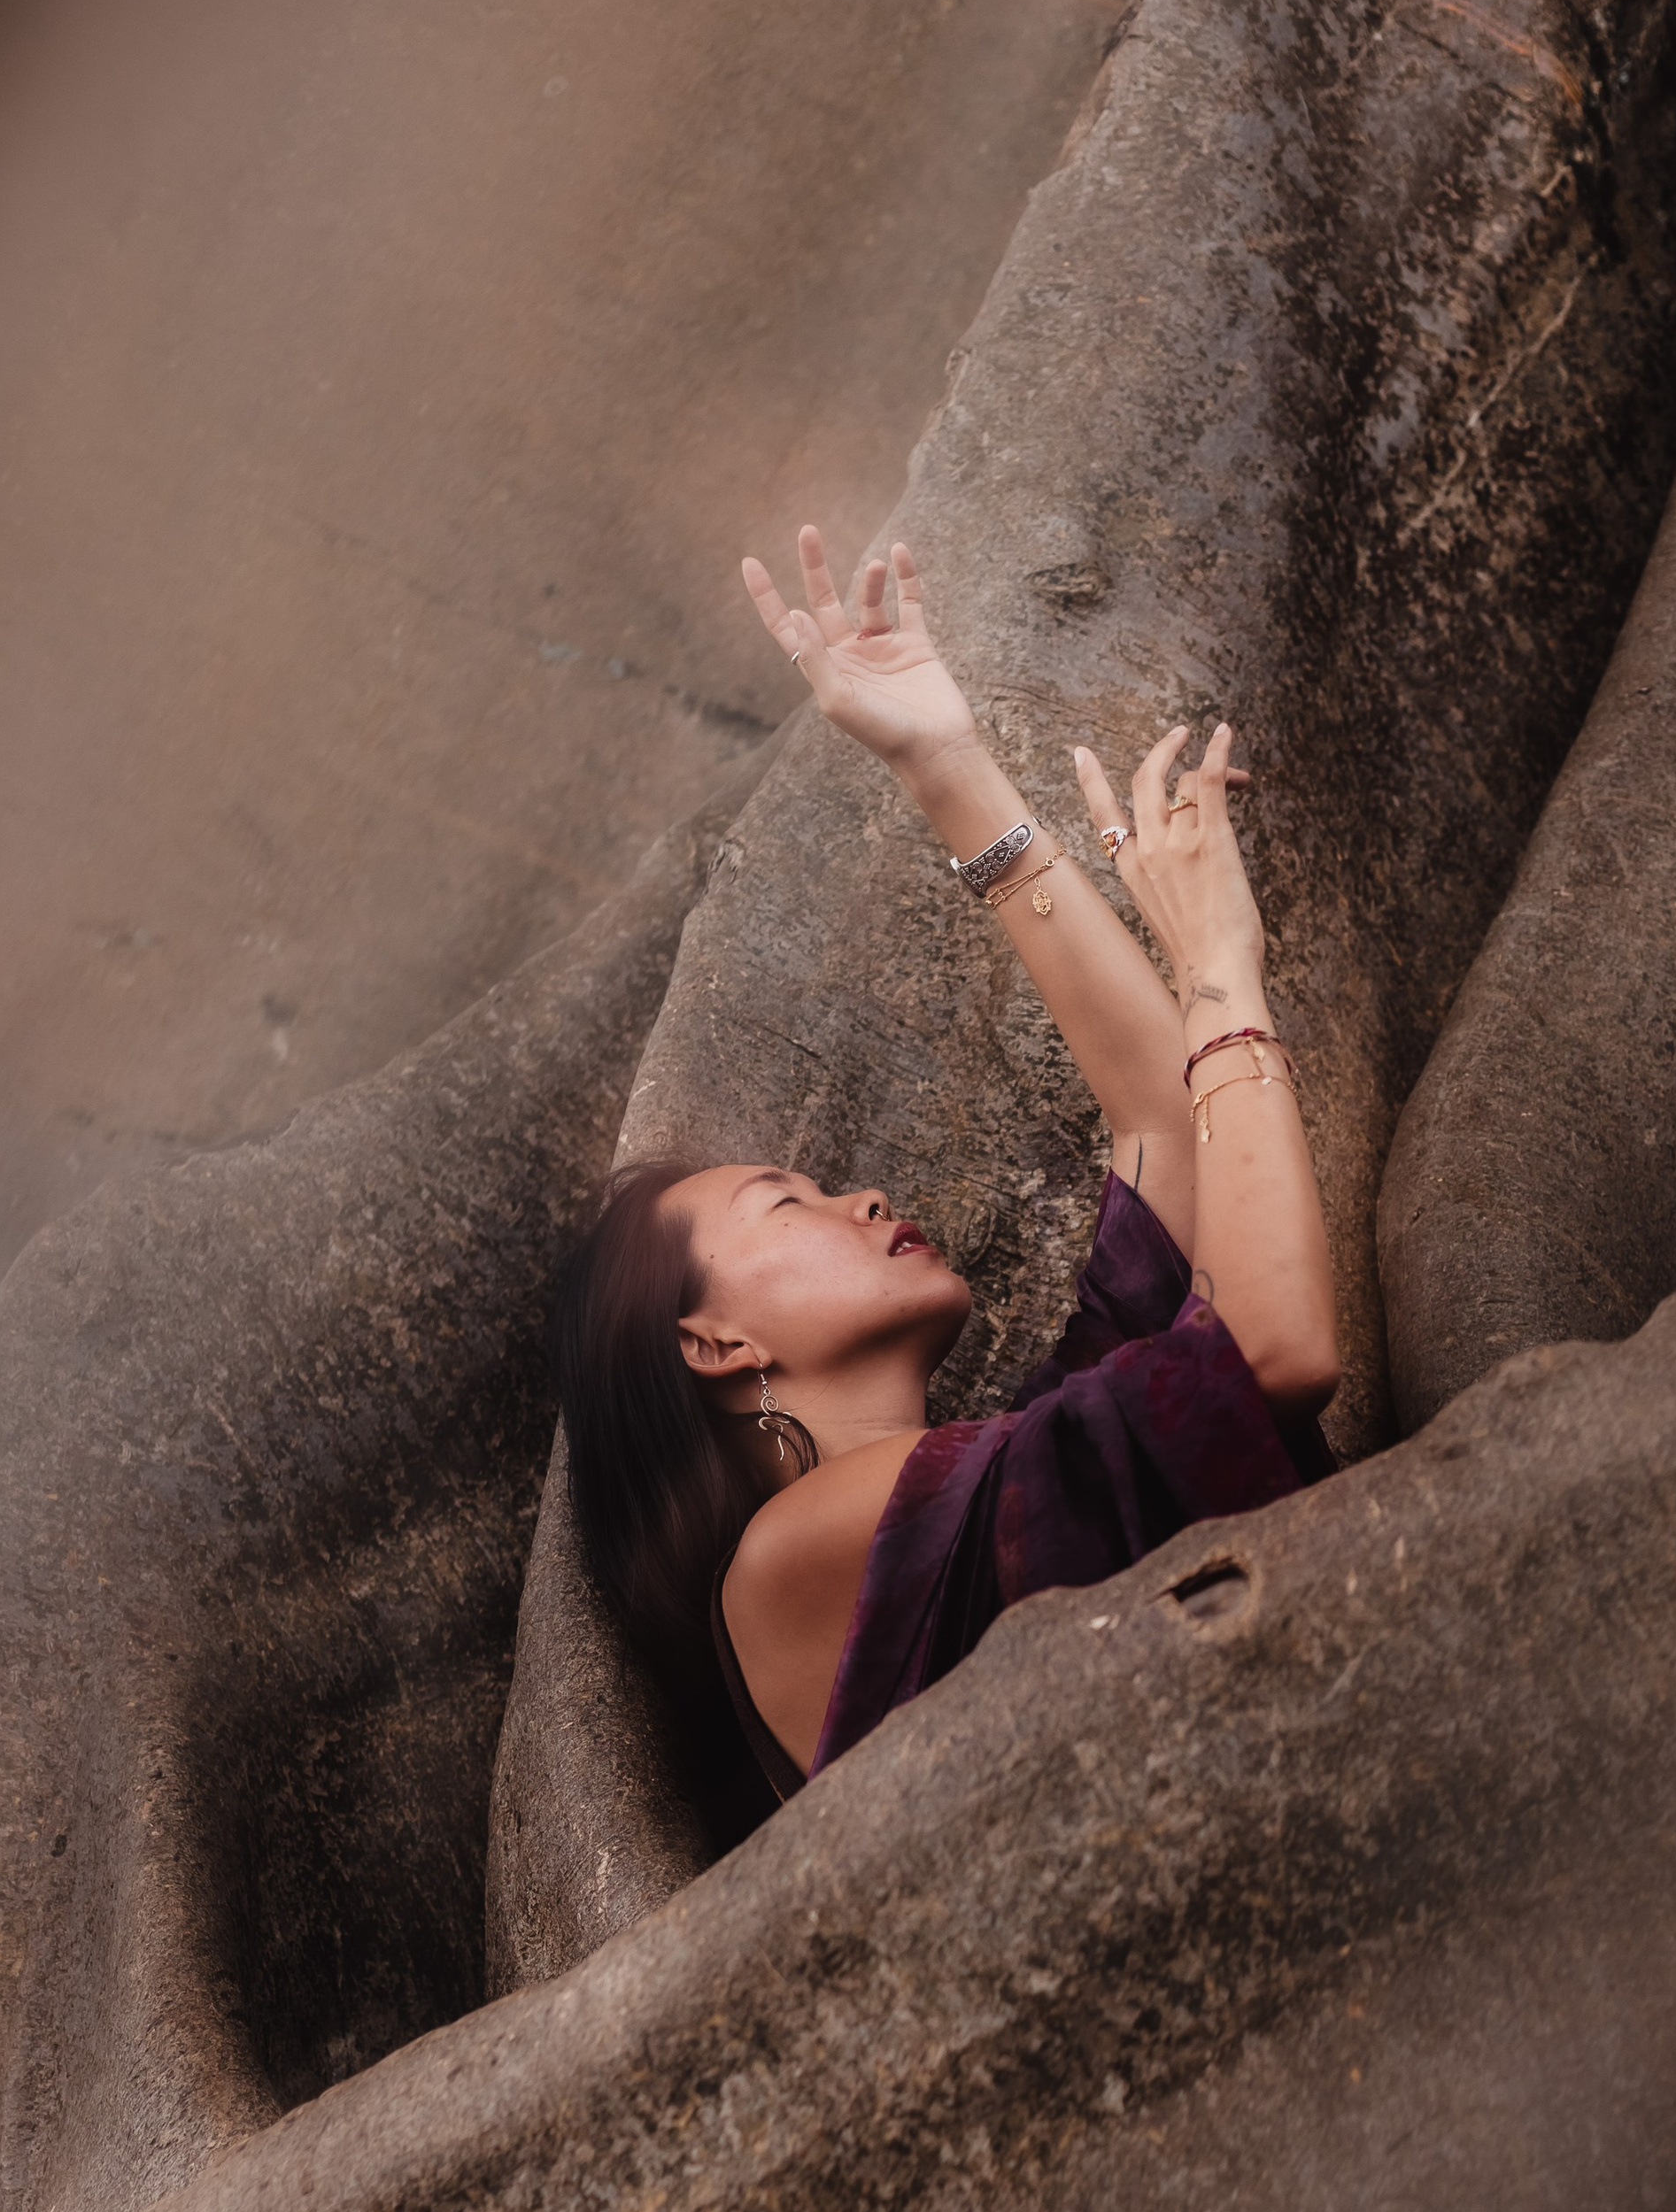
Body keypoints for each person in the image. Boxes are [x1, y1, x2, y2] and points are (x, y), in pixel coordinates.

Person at [552, 525, 1340, 1834]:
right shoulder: (789, 1554)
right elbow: (1272, 1348)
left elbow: (1165, 1119)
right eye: (788, 1202)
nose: (859, 1197)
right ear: (712, 1338)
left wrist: (945, 765)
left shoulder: (1000, 1475)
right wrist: (1217, 966)